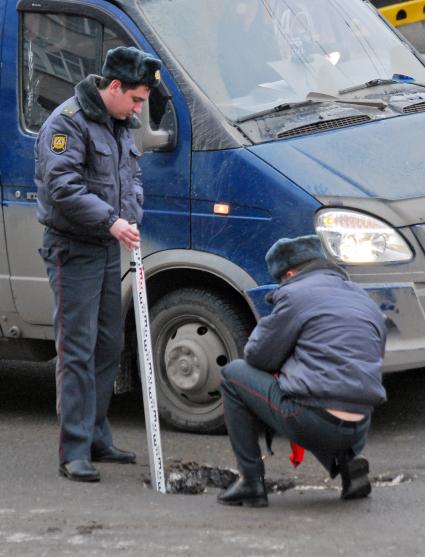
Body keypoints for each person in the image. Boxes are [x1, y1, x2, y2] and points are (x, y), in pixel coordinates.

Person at [35, 46, 162, 482]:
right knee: (76, 350)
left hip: (108, 248)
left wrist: (133, 215)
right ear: (114, 87)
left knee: (108, 345)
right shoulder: (67, 124)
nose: (139, 109)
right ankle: (73, 452)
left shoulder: (119, 123)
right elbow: (63, 188)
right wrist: (112, 221)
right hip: (74, 250)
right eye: (136, 99)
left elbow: (133, 177)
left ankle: (96, 435)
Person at [218, 235, 387, 507]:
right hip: (361, 424)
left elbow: (258, 356)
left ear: (290, 272)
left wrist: (288, 362)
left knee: (234, 374)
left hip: (312, 420)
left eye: (281, 278)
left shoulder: (294, 294)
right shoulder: (362, 297)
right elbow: (370, 357)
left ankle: (251, 482)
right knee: (325, 385)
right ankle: (347, 465)